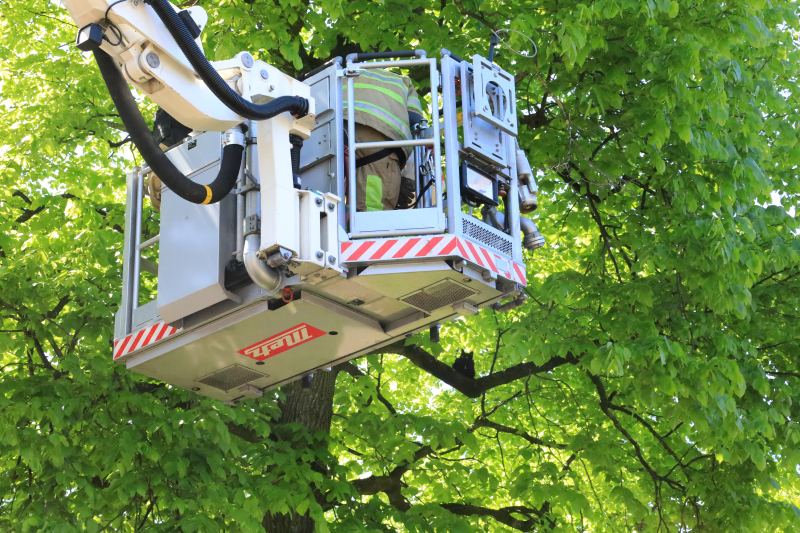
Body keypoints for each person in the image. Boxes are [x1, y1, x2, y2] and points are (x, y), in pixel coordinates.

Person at [344, 68, 423, 212]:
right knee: (371, 211)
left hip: (335, 131)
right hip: (378, 140)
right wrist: (404, 178)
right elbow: (415, 122)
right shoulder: (404, 82)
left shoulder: (344, 75)